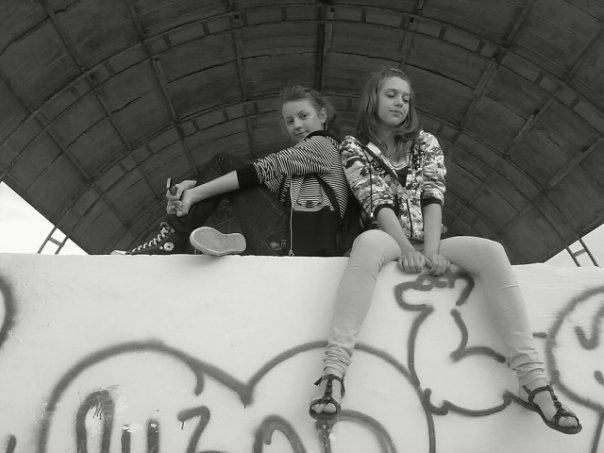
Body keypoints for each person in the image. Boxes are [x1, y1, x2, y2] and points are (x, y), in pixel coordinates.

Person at [308, 68, 582, 435]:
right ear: (373, 98)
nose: (400, 104)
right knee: (367, 245)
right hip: (387, 236)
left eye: (406, 99)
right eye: (391, 95)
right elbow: (374, 198)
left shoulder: (425, 142)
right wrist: (405, 249)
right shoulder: (353, 146)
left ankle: (534, 381)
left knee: (491, 251)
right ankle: (334, 374)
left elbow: (432, 194)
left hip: (432, 238)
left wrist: (432, 251)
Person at [116, 85, 349, 257]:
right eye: (289, 121)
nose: (296, 125)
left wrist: (195, 194)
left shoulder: (322, 145)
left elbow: (261, 170)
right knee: (229, 177)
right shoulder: (298, 174)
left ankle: (171, 240)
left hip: (293, 244)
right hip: (286, 245)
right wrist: (193, 186)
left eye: (303, 116)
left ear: (322, 115)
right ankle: (217, 244)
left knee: (223, 162)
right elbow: (248, 186)